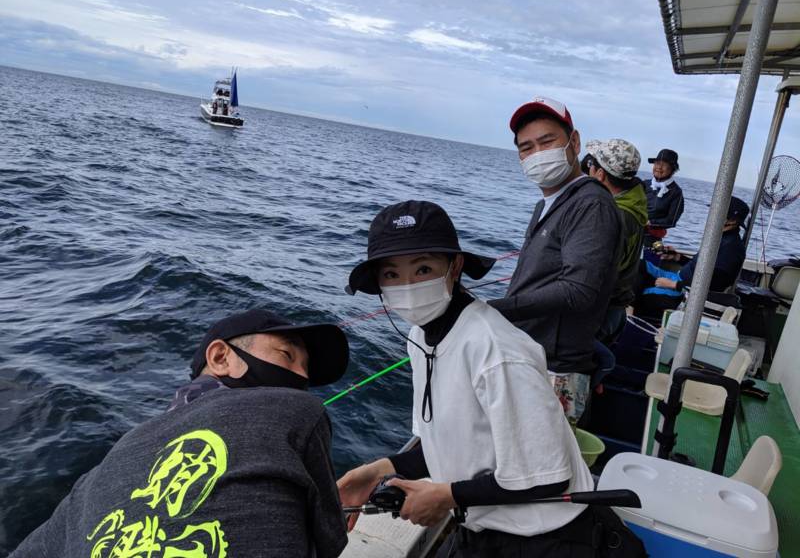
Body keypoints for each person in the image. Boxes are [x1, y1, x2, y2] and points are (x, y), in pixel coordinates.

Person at [338, 200, 642, 557]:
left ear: (455, 267)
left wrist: (446, 496)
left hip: (546, 540)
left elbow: (548, 476)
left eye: (423, 269)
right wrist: (380, 470)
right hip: (483, 528)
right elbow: (455, 447)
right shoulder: (421, 338)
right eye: (391, 275)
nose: (407, 286)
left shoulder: (497, 350)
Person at [11, 308, 350, 558]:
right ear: (220, 357)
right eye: (287, 355)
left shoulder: (100, 470)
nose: (300, 380)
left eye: (305, 374)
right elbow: (329, 540)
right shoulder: (297, 408)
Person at [487, 97, 622, 423]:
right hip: (530, 357)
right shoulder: (547, 205)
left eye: (547, 141)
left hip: (555, 371)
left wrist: (490, 310)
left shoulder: (591, 205)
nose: (537, 153)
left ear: (574, 142)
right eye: (527, 148)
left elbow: (578, 290)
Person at [635, 197, 749, 318]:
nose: (712, 216)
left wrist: (675, 285)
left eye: (718, 213)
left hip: (685, 292)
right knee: (638, 265)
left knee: (643, 295)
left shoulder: (732, 248)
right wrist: (677, 257)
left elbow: (716, 284)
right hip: (678, 278)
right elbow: (699, 267)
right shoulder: (720, 238)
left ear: (732, 221)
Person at [585, 139, 648, 344]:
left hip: (598, 314)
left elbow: (592, 271)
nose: (588, 169)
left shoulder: (611, 215)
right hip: (614, 310)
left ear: (600, 174)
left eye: (591, 165)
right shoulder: (634, 204)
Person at [643, 148, 684, 248]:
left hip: (652, 239)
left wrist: (650, 223)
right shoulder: (644, 184)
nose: (659, 167)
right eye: (657, 163)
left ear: (672, 169)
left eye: (664, 164)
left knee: (652, 256)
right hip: (631, 234)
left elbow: (671, 221)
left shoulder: (676, 192)